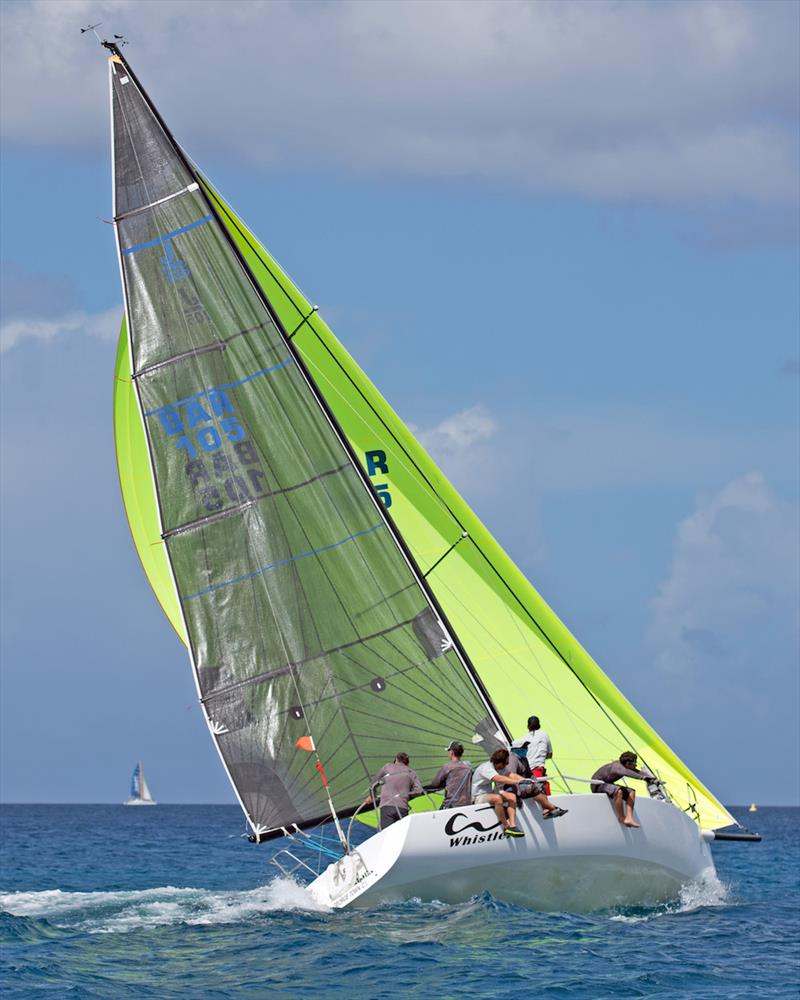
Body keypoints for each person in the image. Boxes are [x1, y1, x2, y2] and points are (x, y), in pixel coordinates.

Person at [472, 748, 527, 836]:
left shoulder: (499, 767)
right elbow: (499, 779)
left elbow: (511, 775)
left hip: (489, 794)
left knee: (512, 796)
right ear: (500, 762)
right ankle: (506, 827)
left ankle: (513, 826)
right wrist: (517, 782)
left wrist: (526, 780)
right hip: (478, 797)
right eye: (506, 762)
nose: (507, 765)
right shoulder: (486, 768)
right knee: (497, 798)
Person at [591, 751, 653, 828]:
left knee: (631, 792)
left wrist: (652, 779)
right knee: (619, 791)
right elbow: (627, 772)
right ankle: (621, 817)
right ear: (628, 764)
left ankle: (629, 818)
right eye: (634, 764)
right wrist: (643, 778)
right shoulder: (617, 767)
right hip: (598, 785)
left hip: (608, 784)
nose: (635, 765)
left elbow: (637, 772)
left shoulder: (625, 766)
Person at [500, 752, 567, 819]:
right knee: (533, 788)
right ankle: (552, 808)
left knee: (540, 786)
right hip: (510, 788)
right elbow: (510, 777)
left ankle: (546, 810)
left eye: (525, 747)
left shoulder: (523, 759)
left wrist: (536, 783)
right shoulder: (512, 758)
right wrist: (516, 795)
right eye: (522, 747)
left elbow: (530, 775)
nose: (524, 749)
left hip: (520, 784)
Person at [368, 752, 423, 829]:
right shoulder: (411, 772)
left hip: (386, 807)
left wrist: (373, 797)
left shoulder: (387, 767)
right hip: (402, 808)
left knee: (385, 833)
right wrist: (406, 795)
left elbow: (373, 785)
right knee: (399, 834)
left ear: (396, 759)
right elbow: (419, 791)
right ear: (408, 762)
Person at [511, 715, 552, 795]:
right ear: (539, 725)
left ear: (528, 726)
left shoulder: (524, 738)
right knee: (543, 793)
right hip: (537, 770)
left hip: (528, 771)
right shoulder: (544, 735)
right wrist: (541, 756)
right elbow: (550, 754)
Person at [428, 741, 473, 808]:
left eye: (448, 750)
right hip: (466, 804)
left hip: (451, 804)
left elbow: (435, 783)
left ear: (451, 752)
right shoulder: (468, 768)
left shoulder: (447, 767)